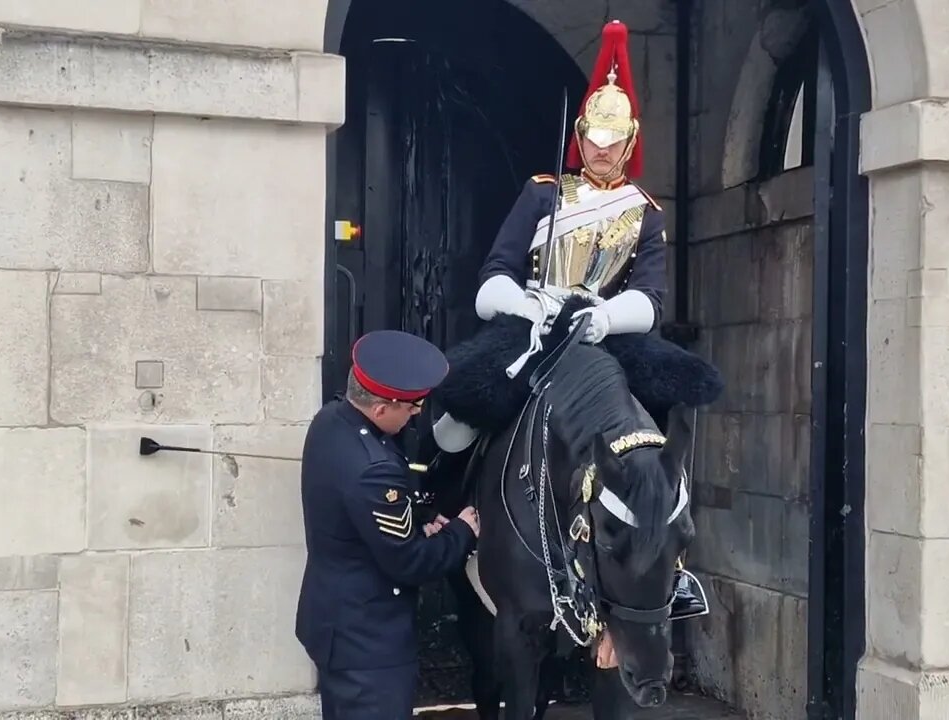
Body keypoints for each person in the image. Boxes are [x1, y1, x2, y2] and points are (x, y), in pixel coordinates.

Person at [426, 19, 708, 621]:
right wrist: (525, 303)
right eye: (595, 135)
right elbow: (496, 268)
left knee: (676, 407)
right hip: (533, 324)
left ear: (630, 140)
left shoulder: (645, 213)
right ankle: (444, 506)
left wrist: (605, 317)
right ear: (582, 134)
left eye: (614, 137)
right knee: (461, 413)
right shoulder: (542, 193)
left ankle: (673, 561)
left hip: (607, 336)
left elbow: (652, 297)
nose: (603, 148)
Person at [295, 330, 481, 720]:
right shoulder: (373, 470)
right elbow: (410, 562)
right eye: (411, 408)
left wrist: (419, 516)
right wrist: (462, 531)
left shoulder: (330, 420)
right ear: (380, 409)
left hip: (336, 621)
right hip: (368, 644)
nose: (416, 414)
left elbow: (367, 515)